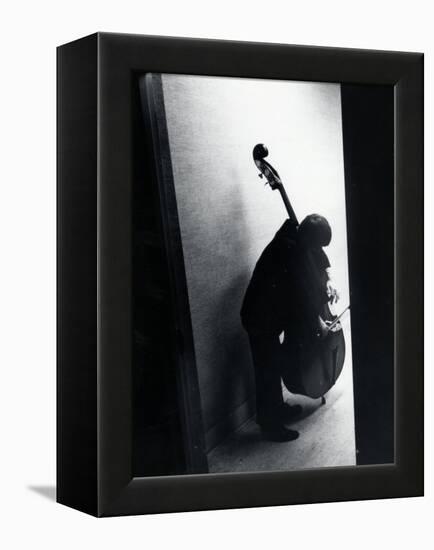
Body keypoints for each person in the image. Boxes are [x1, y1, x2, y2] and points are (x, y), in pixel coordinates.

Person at [240, 214, 338, 442]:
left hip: (273, 312)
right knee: (268, 370)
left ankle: (277, 407)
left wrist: (328, 278)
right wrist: (317, 322)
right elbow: (301, 296)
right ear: (308, 239)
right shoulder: (288, 252)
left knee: (273, 363)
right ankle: (270, 424)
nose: (317, 250)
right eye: (316, 245)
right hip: (259, 317)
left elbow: (317, 257)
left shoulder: (299, 234)